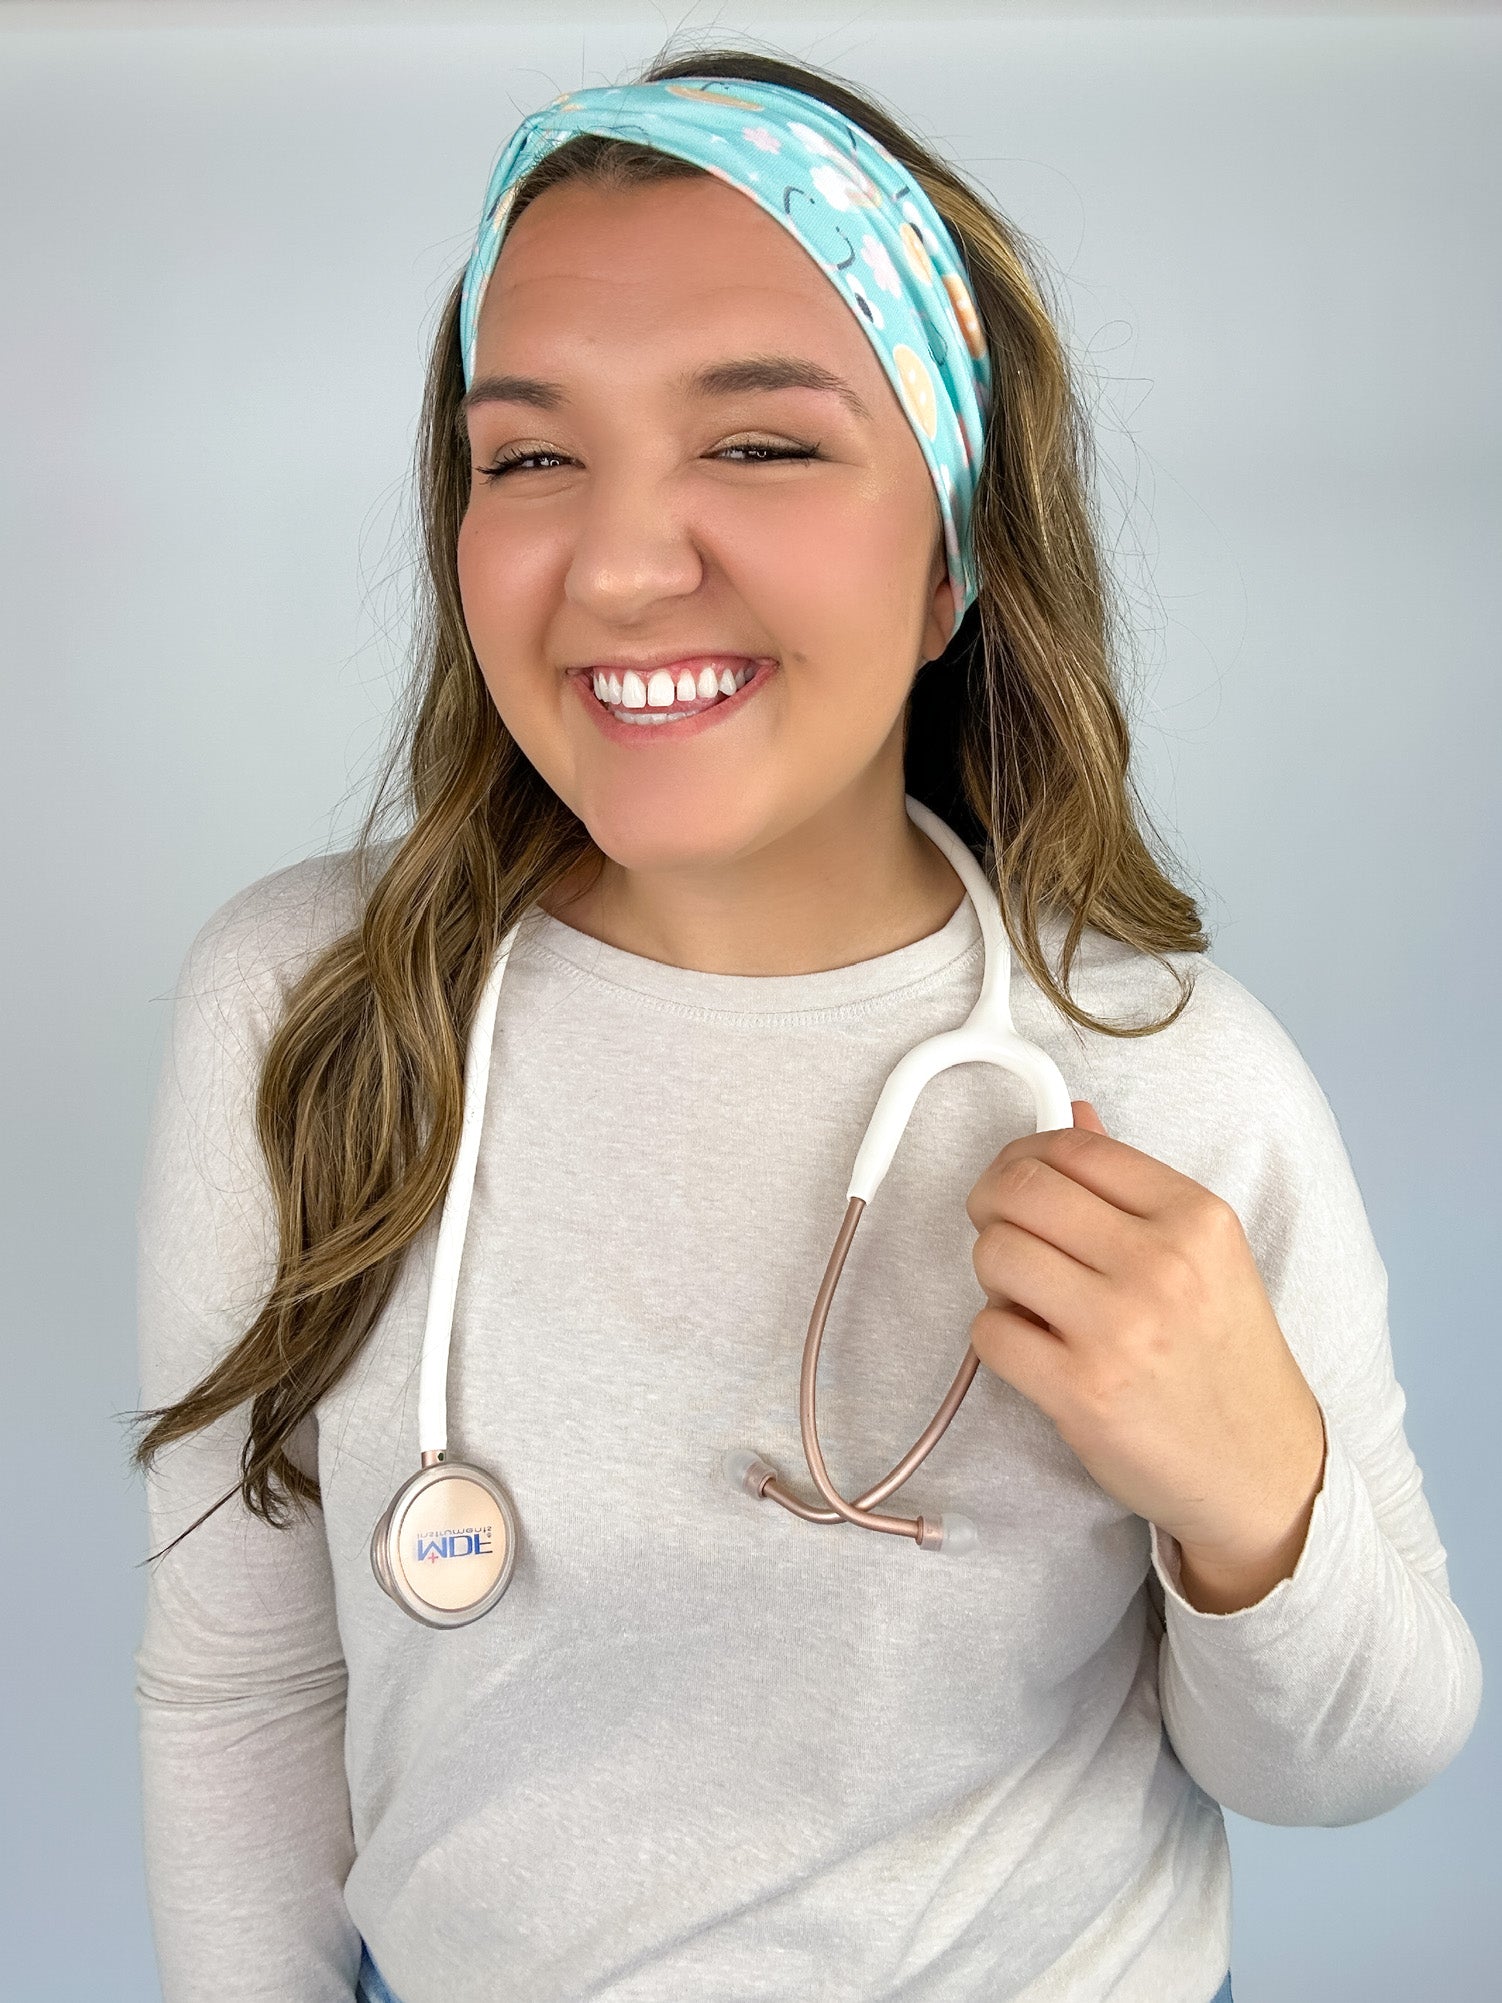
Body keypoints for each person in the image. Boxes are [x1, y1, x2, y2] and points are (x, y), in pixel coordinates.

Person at [130, 44, 1482, 2003]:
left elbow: (1353, 1759)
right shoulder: (305, 1014)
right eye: (527, 456)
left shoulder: (1169, 1089)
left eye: (755, 446)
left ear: (953, 553)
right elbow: (238, 1702)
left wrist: (1253, 1502)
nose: (613, 560)